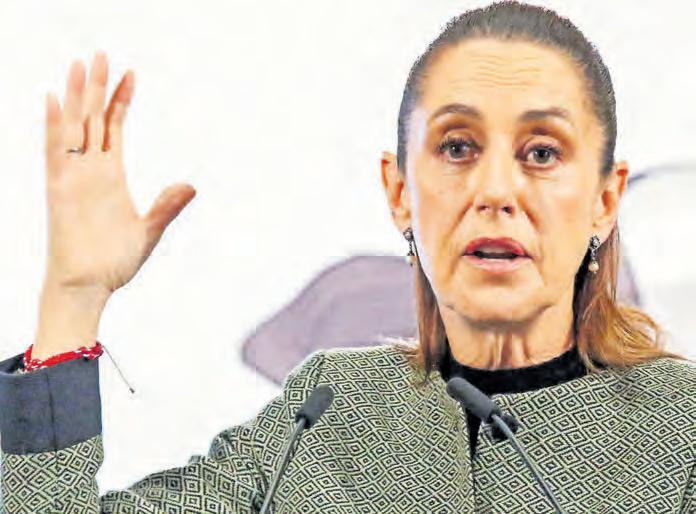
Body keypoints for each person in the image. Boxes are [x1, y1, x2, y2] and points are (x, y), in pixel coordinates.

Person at [0, 1, 694, 512]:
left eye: (541, 153)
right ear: (400, 193)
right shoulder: (328, 411)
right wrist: (72, 299)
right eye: (457, 147)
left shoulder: (680, 429)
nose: (495, 191)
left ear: (606, 199)